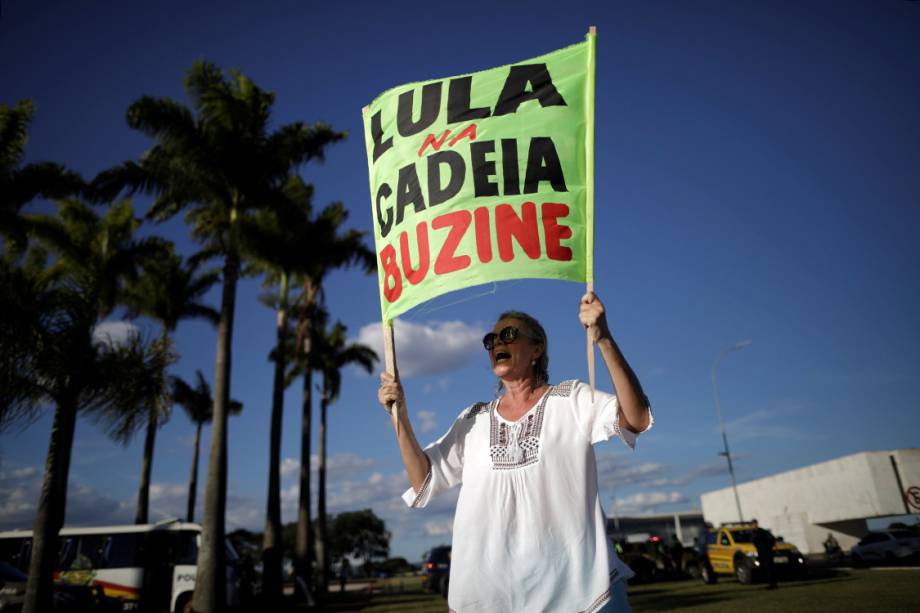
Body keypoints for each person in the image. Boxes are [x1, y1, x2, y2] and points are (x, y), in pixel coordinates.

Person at [378, 292, 653, 612]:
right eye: (491, 339)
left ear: (537, 349)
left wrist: (603, 338)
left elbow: (636, 418)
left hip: (582, 593)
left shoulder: (571, 399)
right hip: (495, 598)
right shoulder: (473, 418)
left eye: (508, 335)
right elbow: (423, 481)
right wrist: (400, 417)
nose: (497, 344)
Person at [750, 519, 777, 589]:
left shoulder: (762, 531)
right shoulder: (753, 533)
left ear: (756, 524)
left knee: (769, 568)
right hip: (761, 553)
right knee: (765, 569)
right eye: (752, 524)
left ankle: (772, 584)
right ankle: (770, 583)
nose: (753, 526)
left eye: (754, 524)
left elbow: (772, 539)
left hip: (766, 553)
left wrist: (769, 547)